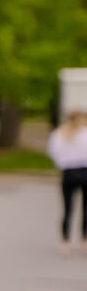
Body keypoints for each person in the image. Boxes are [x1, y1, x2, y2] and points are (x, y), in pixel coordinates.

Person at [53, 109, 87, 254]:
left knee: (68, 209)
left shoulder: (60, 134)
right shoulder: (85, 134)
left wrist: (63, 164)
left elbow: (54, 152)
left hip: (68, 172)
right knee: (85, 209)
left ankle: (65, 242)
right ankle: (84, 240)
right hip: (85, 171)